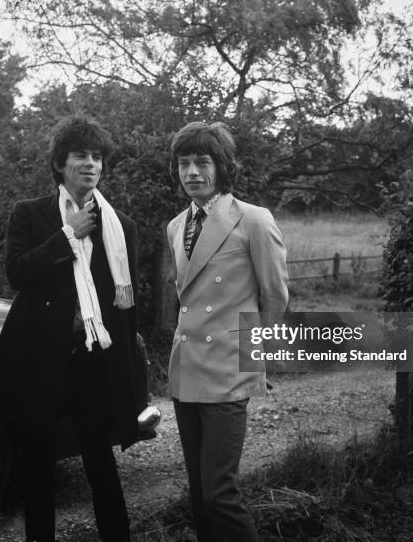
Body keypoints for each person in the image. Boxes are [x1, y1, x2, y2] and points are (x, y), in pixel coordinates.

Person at [0, 115, 140, 542]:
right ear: (59, 163)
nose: (90, 164)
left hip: (94, 359)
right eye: (80, 156)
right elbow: (17, 274)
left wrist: (128, 375)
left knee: (101, 466)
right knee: (38, 467)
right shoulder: (30, 214)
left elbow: (126, 310)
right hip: (41, 361)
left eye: (97, 157)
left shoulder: (121, 226)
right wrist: (66, 236)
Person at [167, 121, 289, 542]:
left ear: (221, 167)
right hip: (186, 374)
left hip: (227, 374)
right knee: (199, 494)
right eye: (184, 163)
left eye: (202, 162)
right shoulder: (174, 226)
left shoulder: (253, 220)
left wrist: (256, 362)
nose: (192, 172)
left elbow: (274, 299)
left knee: (221, 493)